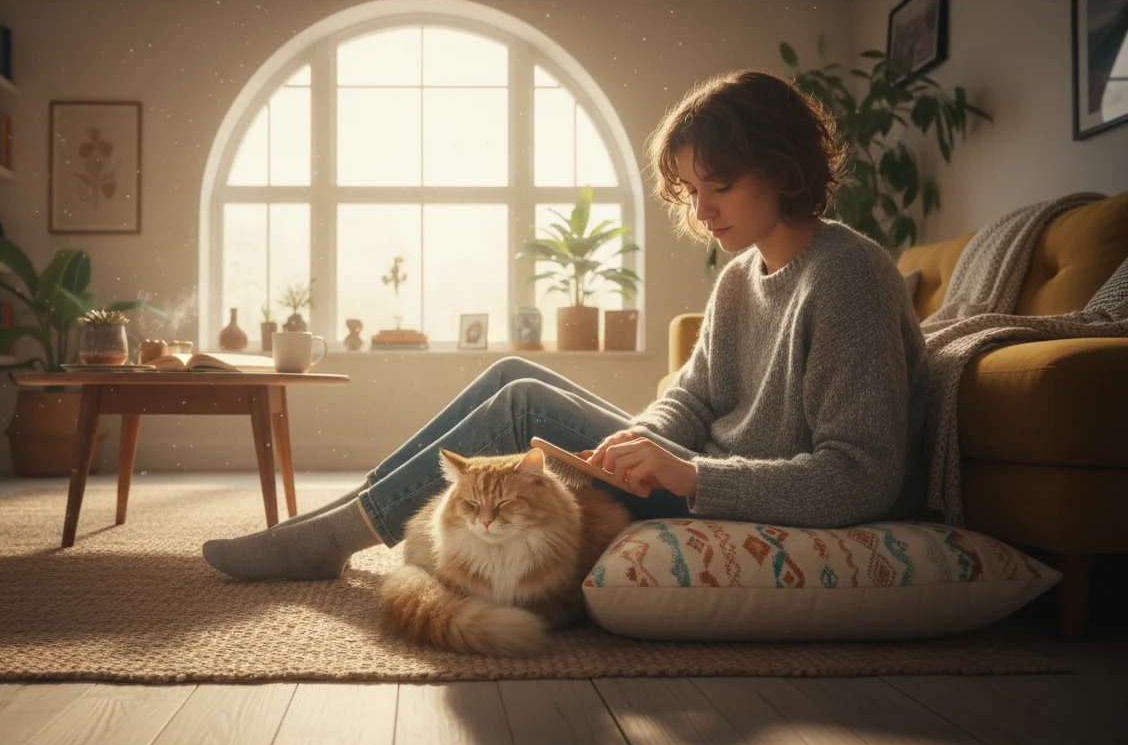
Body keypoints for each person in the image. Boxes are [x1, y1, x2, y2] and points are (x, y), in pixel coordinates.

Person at [202, 69, 929, 582]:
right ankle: (340, 519)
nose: (703, 211)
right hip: (697, 469)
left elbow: (860, 478)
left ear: (785, 167)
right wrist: (640, 437)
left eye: (722, 184)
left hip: (735, 489)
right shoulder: (741, 276)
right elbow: (698, 396)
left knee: (520, 406)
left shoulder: (849, 276)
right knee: (513, 374)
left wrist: (691, 472)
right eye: (691, 189)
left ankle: (330, 539)